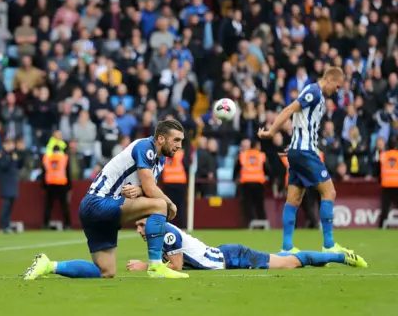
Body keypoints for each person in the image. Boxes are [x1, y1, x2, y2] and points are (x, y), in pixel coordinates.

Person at [23, 119, 189, 280]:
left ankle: (48, 265)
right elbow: (151, 190)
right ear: (161, 138)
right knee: (160, 205)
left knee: (106, 271)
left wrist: (140, 190)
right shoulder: (145, 147)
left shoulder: (159, 159)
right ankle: (156, 267)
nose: (179, 146)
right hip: (100, 203)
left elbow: (147, 189)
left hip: (94, 206)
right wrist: (170, 204)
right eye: (176, 140)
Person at [258, 67, 351, 253]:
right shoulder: (313, 91)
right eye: (338, 86)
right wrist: (272, 132)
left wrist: (293, 146)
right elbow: (290, 109)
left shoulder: (319, 95)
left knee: (294, 198)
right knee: (329, 192)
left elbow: (301, 123)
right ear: (330, 80)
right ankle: (329, 244)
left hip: (298, 149)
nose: (337, 90)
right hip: (305, 151)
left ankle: (286, 247)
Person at [127, 219, 367, 271]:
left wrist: (144, 266)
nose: (139, 231)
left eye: (140, 225)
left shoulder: (166, 233)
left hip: (232, 258)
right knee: (279, 257)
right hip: (225, 254)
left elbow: (177, 267)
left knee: (291, 263)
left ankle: (341, 256)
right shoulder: (161, 230)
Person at [41, 145, 71, 229]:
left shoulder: (47, 158)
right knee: (64, 205)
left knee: (48, 206)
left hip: (50, 184)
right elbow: (68, 172)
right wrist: (69, 186)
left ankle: (45, 224)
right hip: (62, 183)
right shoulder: (64, 158)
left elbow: (44, 172)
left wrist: (43, 185)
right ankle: (68, 224)